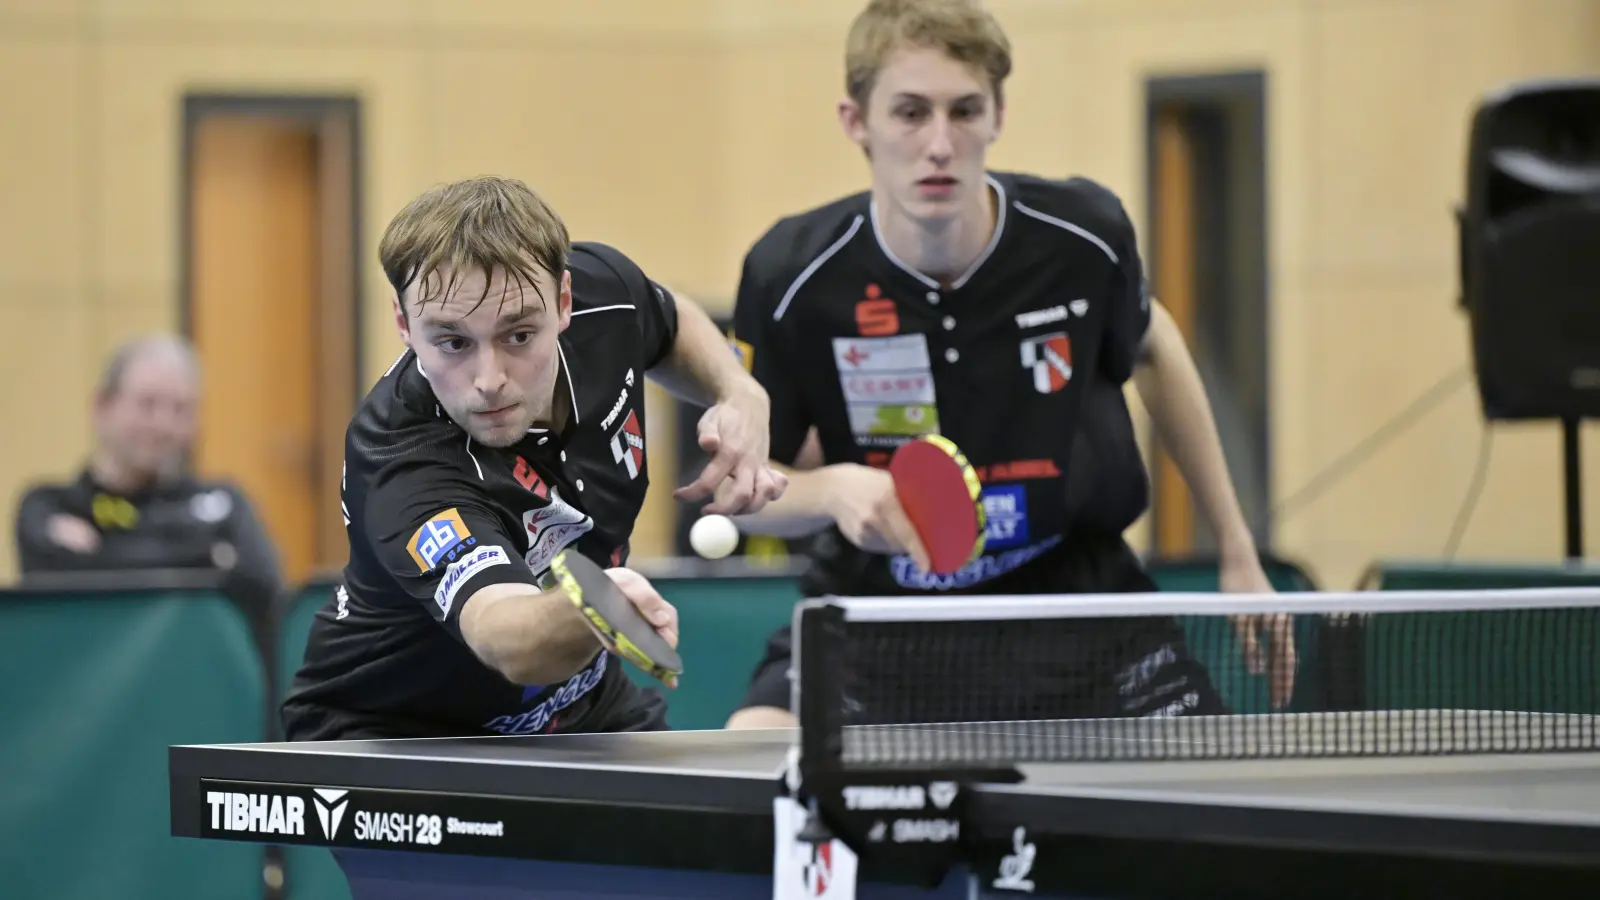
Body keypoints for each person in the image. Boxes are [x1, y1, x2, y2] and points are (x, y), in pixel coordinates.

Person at [722, 0, 1294, 729]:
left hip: (1080, 611)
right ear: (856, 122)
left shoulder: (1082, 237)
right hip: (880, 618)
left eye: (964, 111)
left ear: (997, 116)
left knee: (1208, 815)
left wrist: (1238, 553)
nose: (939, 143)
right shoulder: (791, 275)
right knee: (753, 761)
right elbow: (749, 484)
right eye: (910, 112)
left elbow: (1154, 344)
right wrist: (831, 489)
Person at [281, 176, 784, 742]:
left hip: (578, 703)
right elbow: (506, 635)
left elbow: (665, 319)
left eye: (518, 335)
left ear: (565, 302)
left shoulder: (605, 296)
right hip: (395, 729)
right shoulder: (401, 460)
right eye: (452, 342)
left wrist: (740, 391)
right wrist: (590, 606)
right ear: (403, 325)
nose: (489, 381)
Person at [14, 335, 282, 610]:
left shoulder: (226, 504)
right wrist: (207, 559)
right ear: (102, 405)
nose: (163, 424)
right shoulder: (48, 506)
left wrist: (103, 552)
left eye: (181, 409)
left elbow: (264, 591)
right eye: (147, 404)